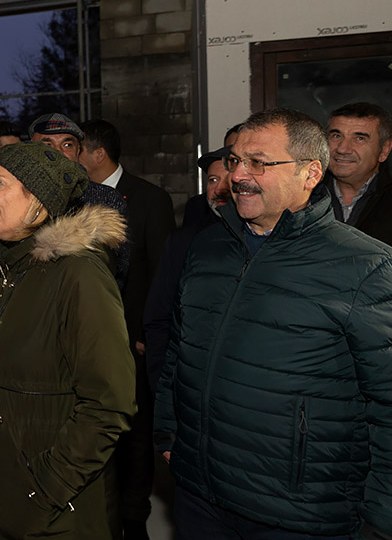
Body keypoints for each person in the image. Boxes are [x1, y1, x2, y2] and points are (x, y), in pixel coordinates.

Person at [155, 108, 392, 539]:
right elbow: (180, 348)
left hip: (299, 512)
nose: (238, 175)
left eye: (259, 163)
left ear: (310, 174)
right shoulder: (207, 248)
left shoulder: (366, 265)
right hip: (200, 496)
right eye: (234, 160)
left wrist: (380, 521)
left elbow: (388, 403)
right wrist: (170, 433)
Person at [0, 142, 136, 539]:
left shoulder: (79, 276)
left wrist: (47, 487)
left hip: (49, 515)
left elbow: (108, 404)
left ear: (36, 198)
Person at [78, 118, 174, 540]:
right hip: (86, 340)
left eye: (76, 149)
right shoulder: (73, 199)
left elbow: (162, 274)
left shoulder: (150, 199)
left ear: (98, 154)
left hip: (132, 342)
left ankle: (134, 520)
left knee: (134, 434)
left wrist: (146, 334)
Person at [143, 144, 232, 394]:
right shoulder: (184, 242)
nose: (219, 188)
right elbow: (159, 319)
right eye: (213, 179)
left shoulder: (268, 240)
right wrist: (163, 388)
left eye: (228, 178)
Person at [28, 111, 130, 288]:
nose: (58, 152)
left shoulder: (105, 199)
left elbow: (117, 271)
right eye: (47, 144)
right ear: (30, 151)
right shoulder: (17, 198)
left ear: (77, 152)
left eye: (67, 144)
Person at [324, 102, 392, 245]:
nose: (343, 149)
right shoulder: (303, 196)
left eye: (359, 138)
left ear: (384, 150)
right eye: (336, 136)